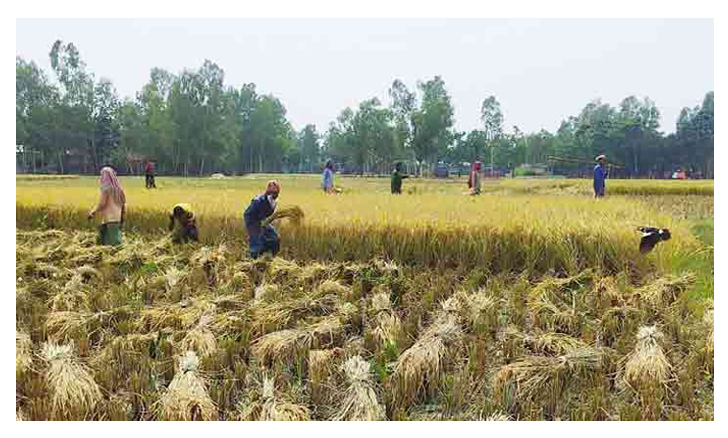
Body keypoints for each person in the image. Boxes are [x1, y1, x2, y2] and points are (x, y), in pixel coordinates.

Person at [88, 166, 126, 246]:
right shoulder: (119, 189)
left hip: (109, 219)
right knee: (103, 240)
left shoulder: (106, 190)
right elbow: (123, 205)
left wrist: (93, 212)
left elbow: (102, 204)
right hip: (117, 219)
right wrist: (122, 217)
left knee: (112, 243)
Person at [244, 180, 281, 259]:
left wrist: (274, 216)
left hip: (263, 221)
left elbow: (268, 216)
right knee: (257, 241)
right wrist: (258, 224)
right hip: (252, 221)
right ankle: (254, 260)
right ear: (269, 192)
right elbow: (251, 214)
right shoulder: (258, 201)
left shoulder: (273, 202)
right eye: (274, 193)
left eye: (277, 193)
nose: (276, 195)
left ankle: (270, 256)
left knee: (275, 238)